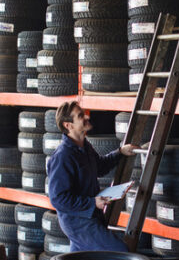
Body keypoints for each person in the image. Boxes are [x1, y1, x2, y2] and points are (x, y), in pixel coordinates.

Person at [47, 101, 139, 252]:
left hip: (90, 216)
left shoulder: (84, 146)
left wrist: (120, 152)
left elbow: (100, 167)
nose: (87, 116)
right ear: (68, 125)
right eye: (80, 115)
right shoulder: (63, 156)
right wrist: (91, 203)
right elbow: (58, 199)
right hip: (78, 222)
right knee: (121, 252)